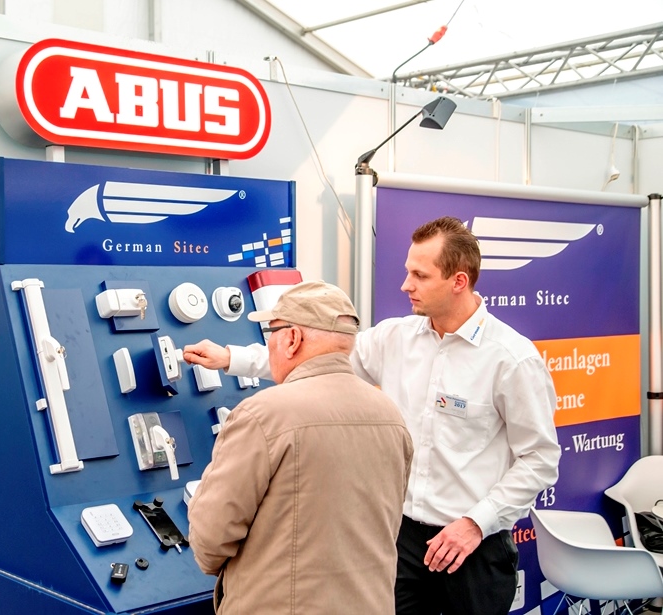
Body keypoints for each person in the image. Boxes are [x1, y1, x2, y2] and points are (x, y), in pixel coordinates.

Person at [183, 217, 561, 615]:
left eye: (420, 275)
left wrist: (475, 523)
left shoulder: (512, 359)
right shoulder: (395, 337)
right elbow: (314, 353)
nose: (406, 285)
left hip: (473, 547)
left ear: (459, 281)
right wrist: (229, 358)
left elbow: (539, 460)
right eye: (407, 271)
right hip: (400, 541)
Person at [187, 281, 413, 615]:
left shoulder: (262, 414)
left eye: (271, 332)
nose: (269, 343)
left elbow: (212, 536)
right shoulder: (390, 414)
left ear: (292, 339)